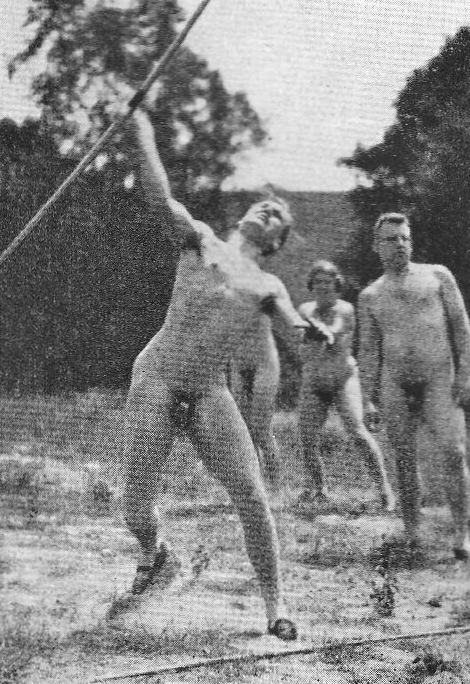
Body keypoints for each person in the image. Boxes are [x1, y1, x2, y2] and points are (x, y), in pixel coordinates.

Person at [120, 109, 331, 641]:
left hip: (209, 391)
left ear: (277, 241)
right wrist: (141, 130)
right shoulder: (201, 241)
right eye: (263, 204)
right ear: (244, 217)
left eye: (278, 215)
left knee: (252, 495)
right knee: (136, 508)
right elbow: (160, 198)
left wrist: (316, 333)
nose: (268, 209)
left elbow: (295, 329)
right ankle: (156, 555)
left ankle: (276, 609)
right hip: (158, 377)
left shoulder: (267, 286)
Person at [358, 213, 470, 560]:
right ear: (377, 246)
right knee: (404, 457)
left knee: (454, 451)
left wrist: (465, 374)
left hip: (439, 376)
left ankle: (462, 536)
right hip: (395, 380)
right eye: (391, 239)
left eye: (405, 238)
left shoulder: (437, 276)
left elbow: (462, 328)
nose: (400, 245)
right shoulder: (370, 295)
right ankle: (412, 532)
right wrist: (366, 399)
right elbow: (368, 349)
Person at [296, 260, 396, 510]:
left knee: (358, 432)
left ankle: (384, 490)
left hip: (343, 378)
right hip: (314, 380)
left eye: (328, 282)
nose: (323, 287)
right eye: (318, 282)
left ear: (336, 285)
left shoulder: (346, 309)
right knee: (307, 436)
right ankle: (318, 488)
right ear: (312, 285)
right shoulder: (305, 309)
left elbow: (337, 327)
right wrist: (313, 331)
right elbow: (304, 335)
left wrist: (324, 331)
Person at [229, 315, 282, 486]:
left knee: (261, 429)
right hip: (238, 365)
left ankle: (276, 485)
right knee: (245, 430)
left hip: (264, 363)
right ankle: (256, 484)